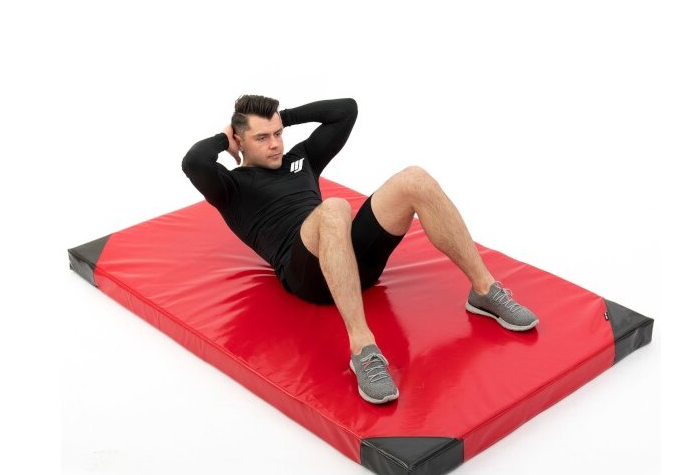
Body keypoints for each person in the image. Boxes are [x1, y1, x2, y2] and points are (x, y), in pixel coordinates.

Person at [182, 95, 538, 404]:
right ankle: (363, 348)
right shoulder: (230, 187)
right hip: (308, 276)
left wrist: (284, 117)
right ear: (240, 141)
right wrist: (223, 138)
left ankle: (484, 291)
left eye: (278, 133)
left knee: (414, 178)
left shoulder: (301, 158)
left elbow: (345, 110)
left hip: (352, 260)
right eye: (262, 138)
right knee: (335, 208)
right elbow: (193, 162)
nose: (275, 144)